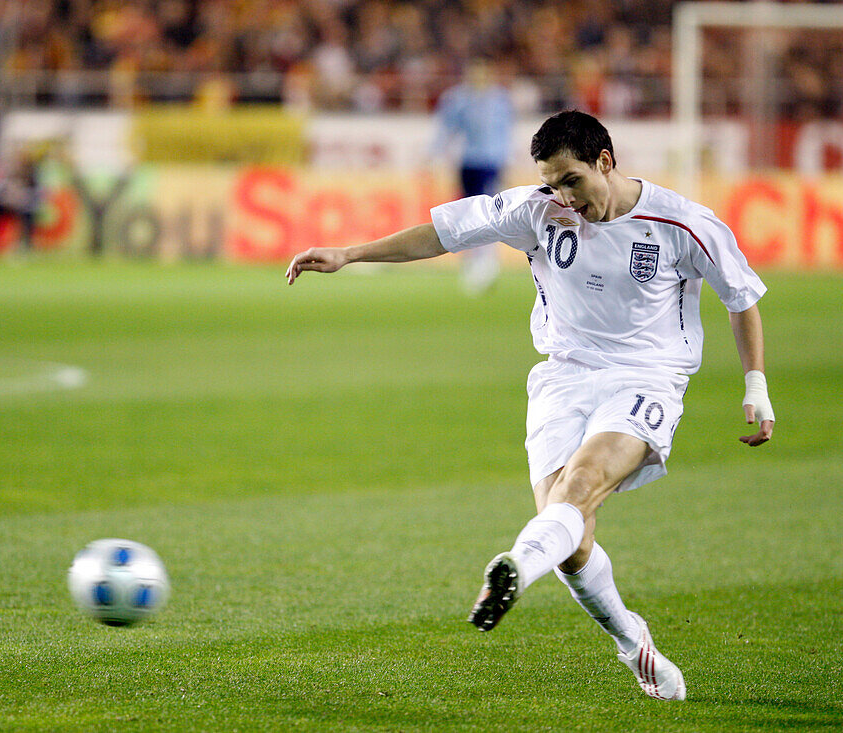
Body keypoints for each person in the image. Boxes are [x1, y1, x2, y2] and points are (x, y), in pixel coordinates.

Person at [286, 110, 775, 701]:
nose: (562, 197)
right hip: (562, 379)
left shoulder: (681, 222)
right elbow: (444, 234)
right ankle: (631, 639)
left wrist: (755, 385)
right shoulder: (535, 209)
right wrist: (349, 254)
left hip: (645, 378)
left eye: (571, 180)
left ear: (606, 162)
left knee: (581, 485)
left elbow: (741, 296)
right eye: (550, 183)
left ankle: (513, 565)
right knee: (569, 543)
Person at [431, 58, 514, 295]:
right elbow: (447, 128)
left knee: (491, 213)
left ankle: (487, 265)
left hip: (491, 162)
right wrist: (435, 154)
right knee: (468, 213)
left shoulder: (499, 100)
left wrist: (506, 161)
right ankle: (471, 264)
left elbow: (505, 132)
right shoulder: (458, 98)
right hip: (468, 162)